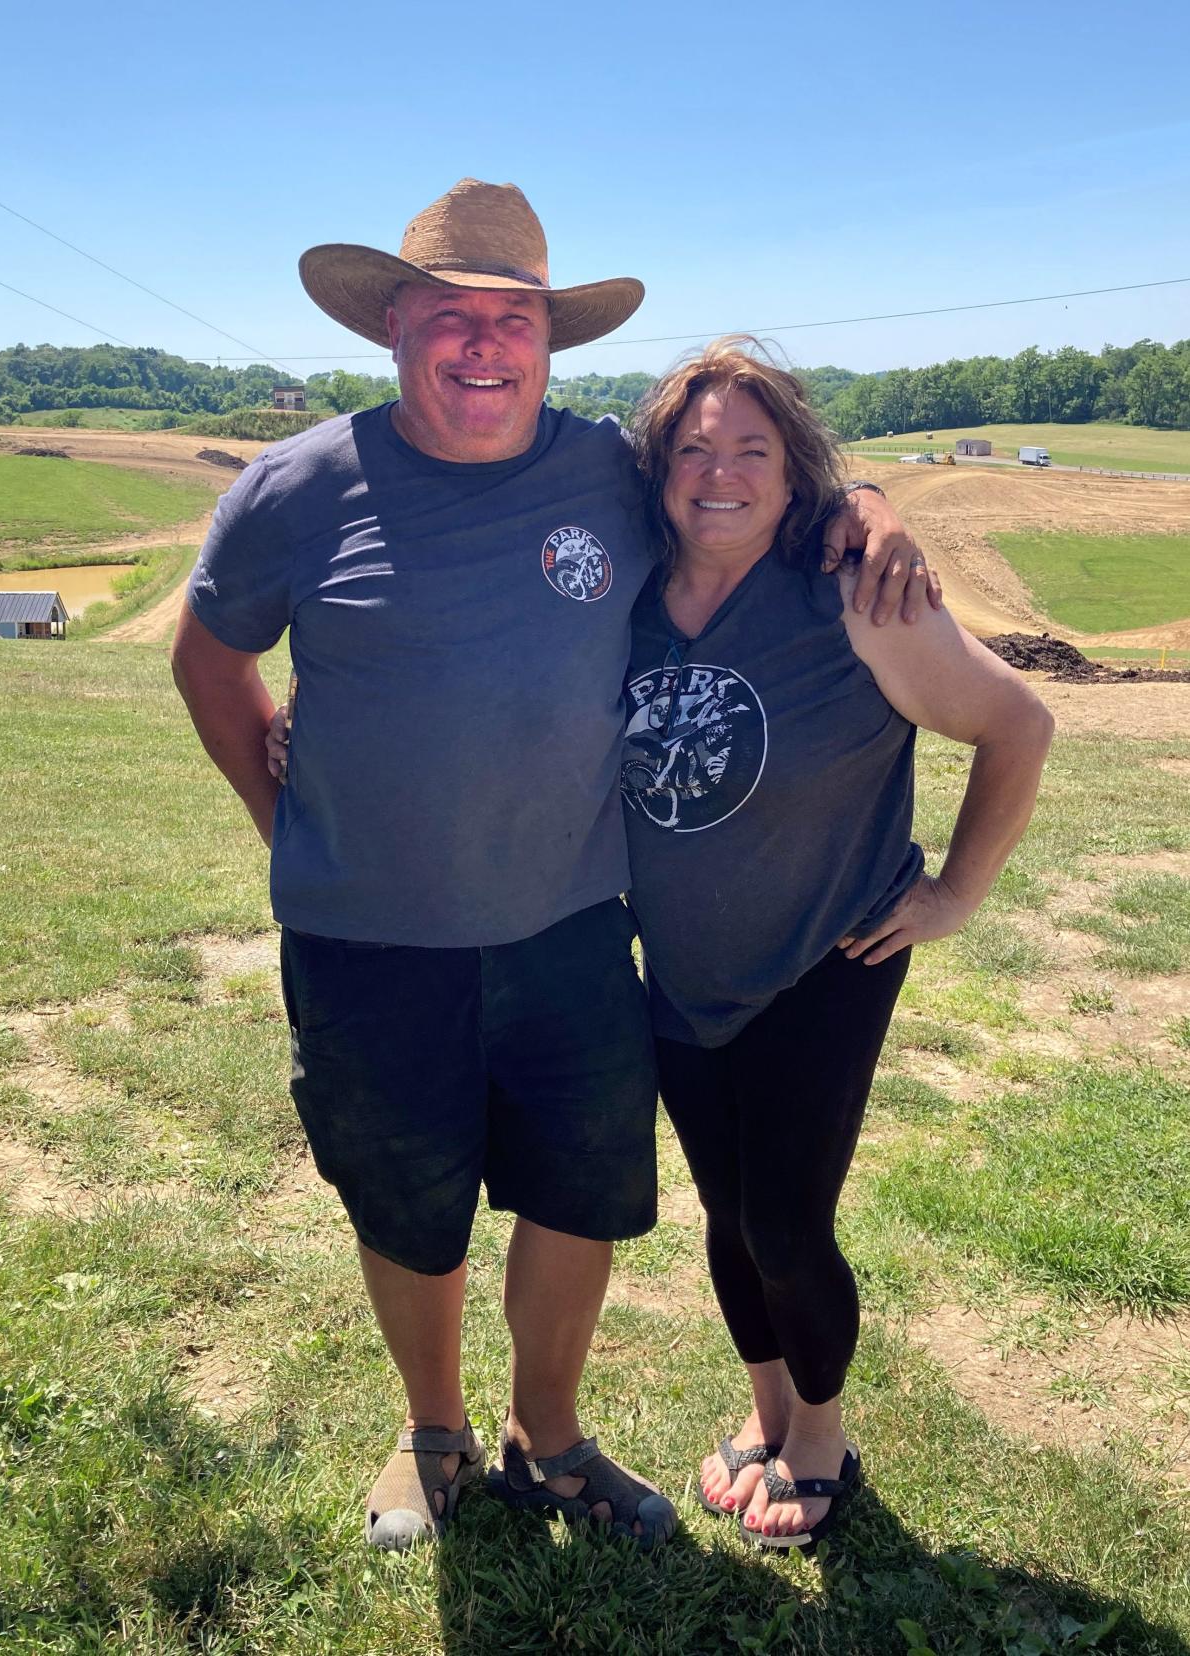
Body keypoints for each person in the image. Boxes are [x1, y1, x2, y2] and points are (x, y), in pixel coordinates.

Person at [172, 179, 933, 1555]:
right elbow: (208, 658)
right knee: (408, 1203)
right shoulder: (296, 488)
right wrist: (283, 812)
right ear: (392, 329)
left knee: (574, 1193)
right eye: (446, 317)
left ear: (546, 340)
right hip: (366, 945)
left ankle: (553, 1436)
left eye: (507, 319)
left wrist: (866, 502)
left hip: (575, 933)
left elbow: (749, 476)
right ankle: (431, 1435)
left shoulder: (608, 474)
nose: (479, 346)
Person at [618, 337, 1054, 1551]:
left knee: (786, 1226)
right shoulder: (631, 596)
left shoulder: (853, 597)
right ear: (656, 469)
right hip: (680, 972)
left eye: (752, 450)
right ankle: (764, 1415)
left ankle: (820, 1440)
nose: (720, 473)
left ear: (794, 470)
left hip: (828, 957)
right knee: (722, 1213)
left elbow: (1018, 725)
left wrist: (958, 891)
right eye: (694, 449)